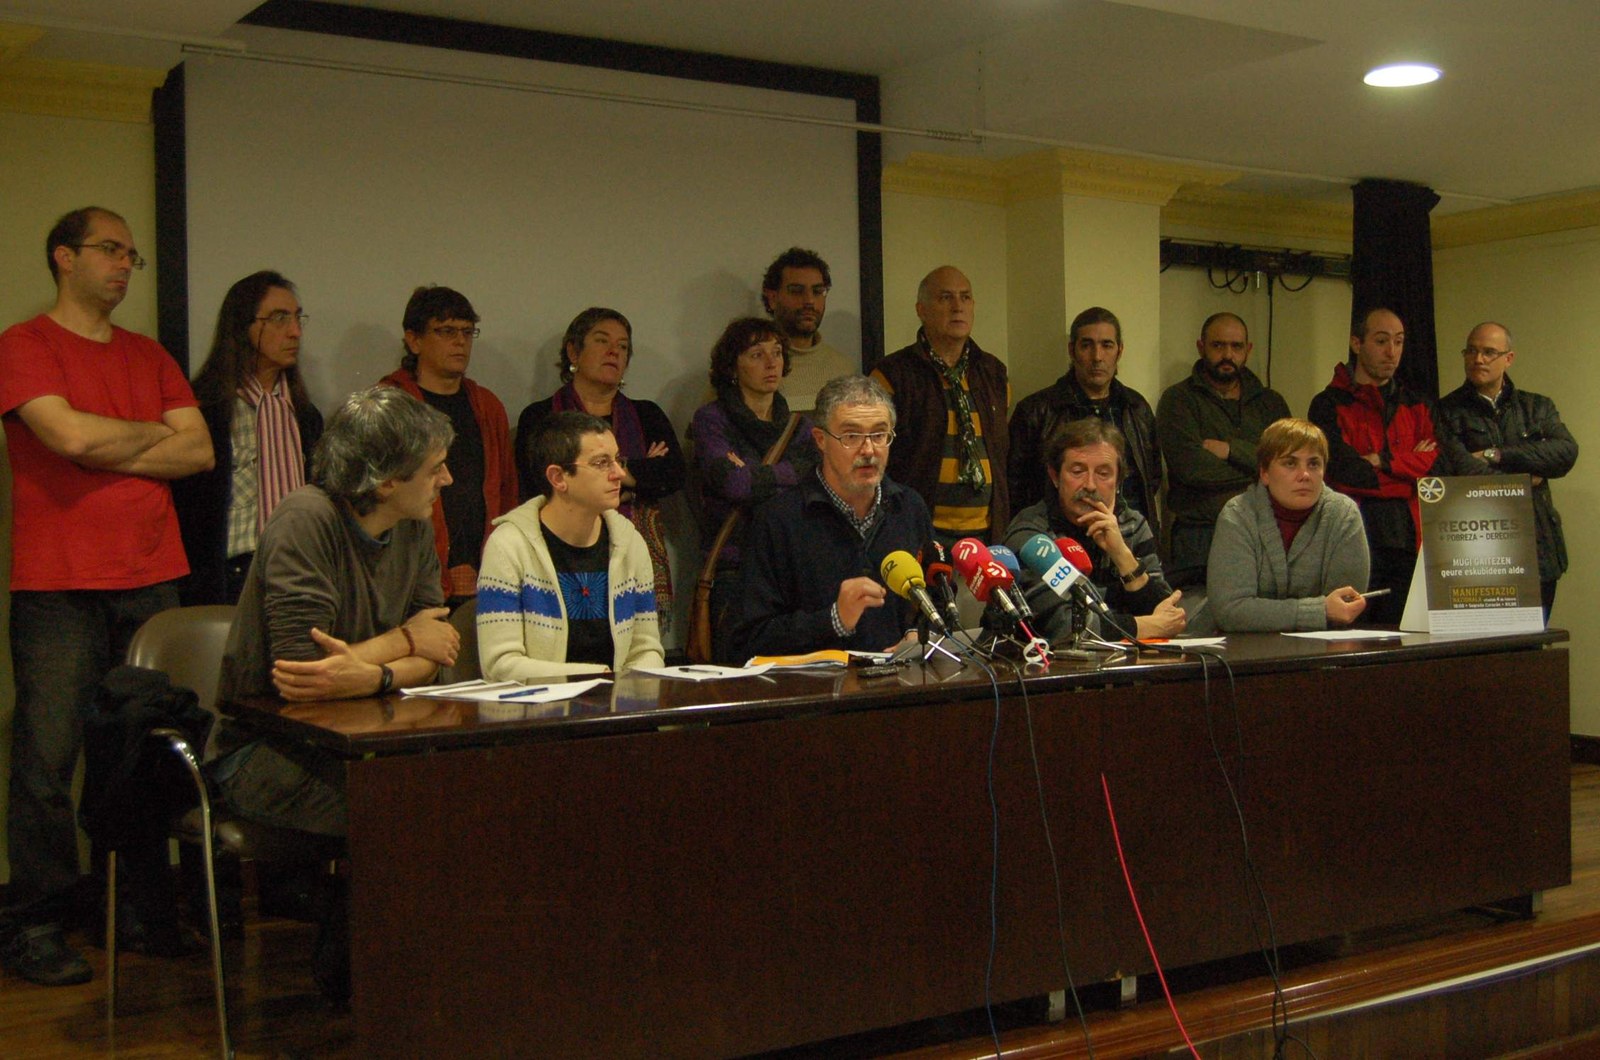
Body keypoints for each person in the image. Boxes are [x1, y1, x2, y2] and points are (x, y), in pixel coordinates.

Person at [0, 206, 214, 986]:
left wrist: (115, 440)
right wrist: (145, 434)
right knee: (47, 759)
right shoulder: (24, 345)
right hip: (58, 586)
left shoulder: (149, 353)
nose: (126, 265)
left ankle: (142, 911)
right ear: (64, 257)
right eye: (110, 250)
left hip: (151, 579)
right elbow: (68, 440)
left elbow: (198, 451)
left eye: (133, 255)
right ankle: (37, 924)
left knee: (143, 756)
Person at [212, 385, 460, 1000]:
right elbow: (305, 676)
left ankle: (412, 983)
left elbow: (441, 651)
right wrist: (403, 640)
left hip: (368, 739)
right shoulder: (306, 517)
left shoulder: (413, 526)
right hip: (265, 750)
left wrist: (373, 673)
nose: (447, 479)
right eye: (434, 469)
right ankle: (377, 988)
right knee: (414, 812)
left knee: (470, 794)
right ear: (383, 482)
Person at [730, 375, 933, 660]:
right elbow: (748, 640)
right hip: (817, 695)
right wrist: (833, 620)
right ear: (821, 440)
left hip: (898, 688)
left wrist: (921, 634)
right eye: (851, 436)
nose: (869, 450)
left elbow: (934, 604)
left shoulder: (909, 508)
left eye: (879, 435)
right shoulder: (778, 520)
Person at [515, 307, 684, 629]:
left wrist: (593, 477)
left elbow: (673, 474)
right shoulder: (541, 418)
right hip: (562, 555)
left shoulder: (646, 414)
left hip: (636, 559)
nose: (614, 352)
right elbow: (540, 485)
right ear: (573, 351)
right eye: (602, 341)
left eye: (622, 346)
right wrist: (637, 474)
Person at [174, 270, 323, 605]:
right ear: (243, 326)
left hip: (301, 572)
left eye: (298, 318)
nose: (295, 331)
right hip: (232, 576)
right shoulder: (205, 408)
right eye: (280, 318)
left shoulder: (305, 415)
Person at [478, 412, 664, 679]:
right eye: (602, 463)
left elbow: (647, 650)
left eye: (617, 459)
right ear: (558, 477)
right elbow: (500, 665)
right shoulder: (508, 545)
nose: (619, 473)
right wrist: (599, 679)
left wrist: (622, 693)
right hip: (541, 713)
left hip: (620, 709)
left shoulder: (629, 540)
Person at [689, 318, 819, 663]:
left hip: (789, 567)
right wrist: (788, 474)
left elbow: (816, 480)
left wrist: (756, 474)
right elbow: (734, 484)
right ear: (733, 366)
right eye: (756, 354)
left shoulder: (799, 427)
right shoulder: (711, 419)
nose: (771, 362)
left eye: (777, 353)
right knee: (732, 680)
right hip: (735, 570)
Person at [378, 285, 517, 608]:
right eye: (446, 331)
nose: (460, 341)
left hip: (485, 575)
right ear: (414, 340)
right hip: (410, 577)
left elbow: (506, 492)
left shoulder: (487, 406)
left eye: (468, 332)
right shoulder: (390, 403)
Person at [1435, 322, 1577, 619]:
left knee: (1533, 654)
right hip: (1477, 554)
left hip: (1539, 551)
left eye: (1489, 352)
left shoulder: (1537, 407)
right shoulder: (1445, 411)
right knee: (1482, 656)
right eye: (1471, 351)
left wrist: (1496, 454)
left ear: (1508, 359)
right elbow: (1461, 469)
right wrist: (1525, 481)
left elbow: (1565, 453)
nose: (1478, 359)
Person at [1308, 306, 1438, 625]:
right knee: (1355, 637)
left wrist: (1384, 461)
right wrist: (1409, 472)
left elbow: (1435, 467)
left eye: (1398, 342)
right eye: (1381, 341)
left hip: (1411, 538)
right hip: (1356, 534)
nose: (1391, 352)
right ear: (1357, 343)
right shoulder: (1328, 404)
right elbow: (1344, 473)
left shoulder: (1417, 403)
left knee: (1408, 639)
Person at [1006, 418, 1184, 642]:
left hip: (1127, 666)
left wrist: (1121, 555)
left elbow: (1166, 612)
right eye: (1078, 471)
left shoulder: (1132, 524)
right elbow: (1063, 626)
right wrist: (1142, 627)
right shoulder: (1030, 535)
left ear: (1118, 481)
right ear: (1055, 476)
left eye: (1103, 473)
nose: (1090, 485)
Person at [870, 266, 1010, 546]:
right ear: (922, 309)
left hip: (987, 534)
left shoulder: (993, 373)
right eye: (946, 298)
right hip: (919, 532)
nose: (958, 306)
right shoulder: (892, 374)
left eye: (965, 297)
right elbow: (875, 458)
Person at [1155, 312, 1290, 588]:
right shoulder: (1178, 400)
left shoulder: (1271, 403)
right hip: (1199, 535)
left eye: (1236, 346)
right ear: (1201, 346)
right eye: (1218, 346)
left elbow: (1287, 467)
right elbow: (1191, 469)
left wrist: (1231, 451)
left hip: (1263, 532)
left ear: (1248, 350)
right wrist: (1261, 467)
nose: (1228, 354)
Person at [1207, 418, 1370, 632]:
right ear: (1264, 473)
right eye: (1290, 463)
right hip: (1245, 653)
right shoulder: (1238, 515)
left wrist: (1271, 613)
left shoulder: (1343, 514)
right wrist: (1319, 610)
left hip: (1323, 654)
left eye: (1314, 464)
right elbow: (1231, 610)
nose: (1304, 475)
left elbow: (1344, 608)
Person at [1009, 306, 1161, 525]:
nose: (1097, 357)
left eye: (1106, 345)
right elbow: (1016, 489)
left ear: (1119, 351)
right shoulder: (1036, 410)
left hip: (1128, 533)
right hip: (1057, 538)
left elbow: (1151, 477)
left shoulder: (1136, 408)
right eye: (1087, 345)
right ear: (1072, 351)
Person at [761, 247, 856, 409]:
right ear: (772, 298)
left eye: (818, 291)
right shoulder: (748, 365)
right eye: (797, 291)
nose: (809, 301)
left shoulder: (843, 370)